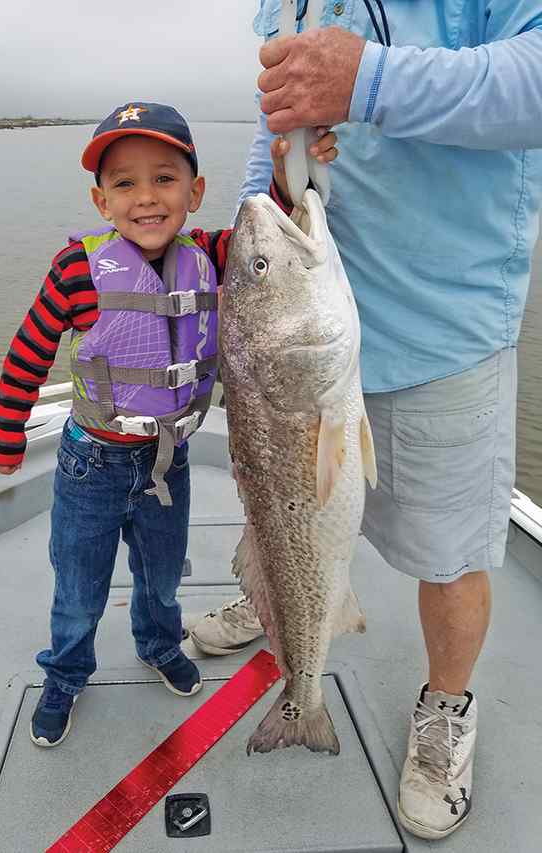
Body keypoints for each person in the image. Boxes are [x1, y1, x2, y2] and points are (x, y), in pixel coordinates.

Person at [186, 1, 542, 841]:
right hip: (299, 336)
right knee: (278, 508)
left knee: (449, 554)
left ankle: (445, 707)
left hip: (439, 327)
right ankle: (281, 600)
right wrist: (269, 183)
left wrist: (369, 80)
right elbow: (273, 138)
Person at [0, 101, 336, 748]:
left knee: (161, 573)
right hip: (89, 462)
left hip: (165, 462)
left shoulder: (212, 253)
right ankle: (65, 671)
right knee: (80, 583)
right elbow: (27, 351)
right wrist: (6, 434)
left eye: (165, 179)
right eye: (125, 183)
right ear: (101, 200)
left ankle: (157, 643)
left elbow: (275, 231)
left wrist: (296, 162)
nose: (146, 198)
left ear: (196, 191)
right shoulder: (75, 271)